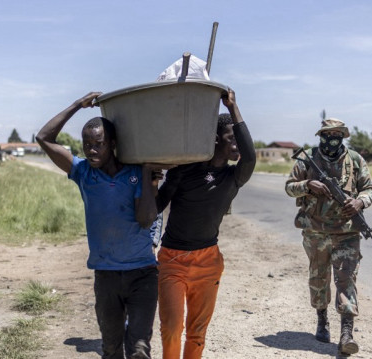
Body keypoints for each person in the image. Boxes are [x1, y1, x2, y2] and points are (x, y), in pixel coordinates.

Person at [36, 92, 161, 359]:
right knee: (111, 349)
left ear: (113, 144)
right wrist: (76, 105)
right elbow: (43, 138)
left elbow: (146, 219)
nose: (92, 150)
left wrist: (150, 178)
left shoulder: (136, 173)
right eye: (87, 143)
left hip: (142, 273)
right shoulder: (83, 173)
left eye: (99, 144)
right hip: (106, 276)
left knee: (139, 348)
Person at [155, 88, 256, 359]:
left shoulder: (234, 177)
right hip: (173, 260)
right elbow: (156, 207)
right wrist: (152, 178)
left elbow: (251, 156)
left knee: (198, 332)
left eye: (238, 140)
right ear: (214, 140)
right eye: (230, 139)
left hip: (208, 262)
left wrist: (233, 108)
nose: (236, 145)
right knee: (172, 327)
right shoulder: (185, 171)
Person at [285, 118, 372, 356]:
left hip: (346, 232)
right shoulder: (308, 159)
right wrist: (307, 185)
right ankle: (321, 318)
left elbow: (369, 188)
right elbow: (288, 187)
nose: (331, 139)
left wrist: (360, 202)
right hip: (315, 231)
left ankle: (347, 333)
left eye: (337, 135)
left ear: (343, 137)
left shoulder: (355, 160)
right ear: (320, 136)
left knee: (347, 279)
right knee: (319, 277)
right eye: (327, 134)